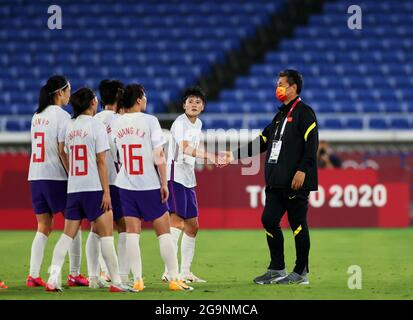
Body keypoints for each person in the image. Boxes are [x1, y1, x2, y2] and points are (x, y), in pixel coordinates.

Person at [221, 69, 318, 285]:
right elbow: (261, 142)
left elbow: (312, 146)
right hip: (276, 182)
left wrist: (303, 170)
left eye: (282, 83)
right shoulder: (279, 116)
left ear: (293, 87)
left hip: (295, 182)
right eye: (278, 83)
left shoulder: (305, 113)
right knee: (269, 220)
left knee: (298, 225)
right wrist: (234, 155)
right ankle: (277, 268)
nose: (278, 87)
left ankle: (301, 272)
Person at [45, 87, 131, 292]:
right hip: (94, 189)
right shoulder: (96, 126)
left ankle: (52, 278)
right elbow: (102, 161)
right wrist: (106, 192)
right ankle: (117, 282)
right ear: (92, 103)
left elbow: (62, 152)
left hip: (74, 189)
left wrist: (71, 173)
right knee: (107, 235)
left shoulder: (70, 125)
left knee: (67, 236)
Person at [112, 83, 193, 291]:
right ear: (139, 99)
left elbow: (115, 154)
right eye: (144, 96)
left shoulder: (117, 122)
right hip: (148, 183)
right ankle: (174, 278)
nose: (146, 99)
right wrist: (164, 183)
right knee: (164, 231)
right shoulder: (150, 121)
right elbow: (159, 156)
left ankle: (137, 280)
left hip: (125, 183)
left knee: (132, 232)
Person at [27, 75, 88, 288]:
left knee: (43, 226)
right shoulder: (62, 117)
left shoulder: (36, 116)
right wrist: (73, 173)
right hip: (56, 177)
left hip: (35, 176)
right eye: (68, 90)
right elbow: (63, 150)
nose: (70, 94)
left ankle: (33, 275)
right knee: (74, 223)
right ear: (60, 93)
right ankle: (74, 273)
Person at [162, 86, 217, 283]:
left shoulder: (198, 123)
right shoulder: (180, 123)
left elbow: (193, 148)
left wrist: (206, 158)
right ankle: (170, 271)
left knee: (193, 226)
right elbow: (184, 148)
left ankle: (185, 272)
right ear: (183, 105)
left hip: (188, 177)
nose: (193, 105)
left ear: (203, 107)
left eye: (198, 102)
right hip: (175, 174)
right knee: (176, 223)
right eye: (190, 101)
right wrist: (209, 155)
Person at [88, 79, 130, 287]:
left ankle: (95, 275)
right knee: (125, 226)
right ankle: (120, 274)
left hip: (94, 181)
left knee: (96, 228)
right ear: (118, 95)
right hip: (114, 179)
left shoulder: (94, 119)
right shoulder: (118, 120)